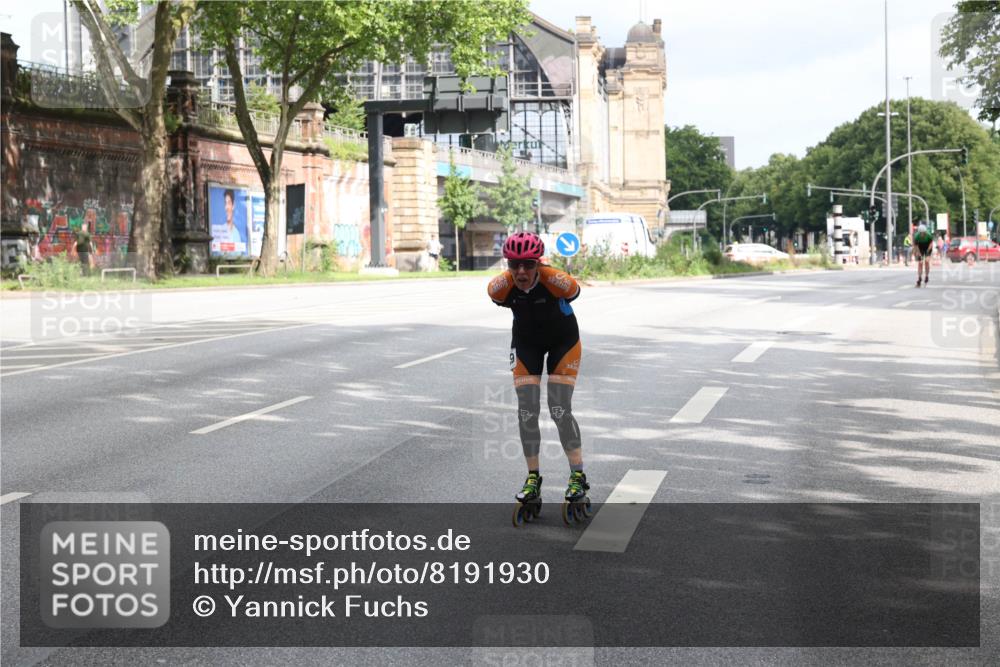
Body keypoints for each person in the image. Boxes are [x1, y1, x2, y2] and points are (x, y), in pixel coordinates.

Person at [487, 231, 588, 517]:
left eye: (528, 264)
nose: (521, 271)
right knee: (527, 411)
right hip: (526, 344)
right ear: (507, 264)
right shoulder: (498, 288)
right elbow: (502, 298)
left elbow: (574, 293)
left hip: (563, 342)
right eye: (514, 264)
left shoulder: (557, 281)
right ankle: (533, 478)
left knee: (559, 408)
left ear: (539, 263)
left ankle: (577, 475)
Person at [913, 223, 934, 287]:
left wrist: (928, 251)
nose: (922, 234)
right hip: (920, 247)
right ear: (919, 233)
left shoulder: (928, 235)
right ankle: (919, 278)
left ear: (925, 232)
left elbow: (931, 244)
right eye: (921, 233)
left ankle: (927, 276)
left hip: (928, 247)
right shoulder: (916, 236)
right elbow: (916, 246)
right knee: (920, 263)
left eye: (924, 233)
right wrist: (918, 253)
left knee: (927, 261)